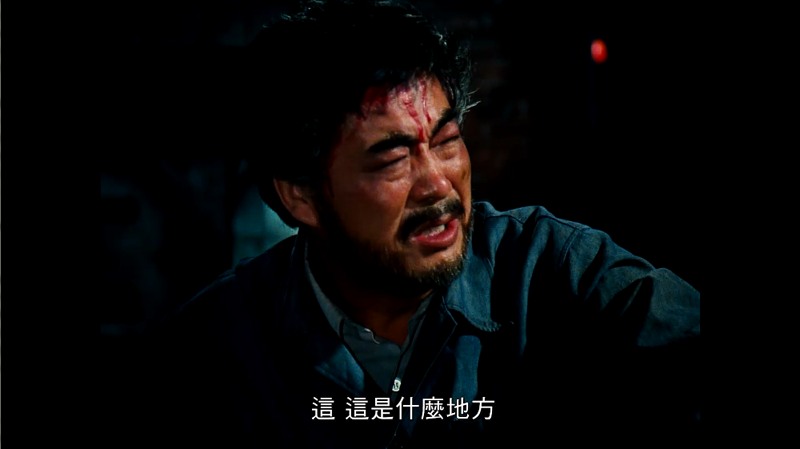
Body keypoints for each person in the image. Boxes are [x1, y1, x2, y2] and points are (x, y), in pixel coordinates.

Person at [147, 0, 701, 447]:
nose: (438, 184)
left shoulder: (547, 269)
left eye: (447, 140)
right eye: (393, 159)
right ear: (301, 196)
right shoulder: (214, 351)